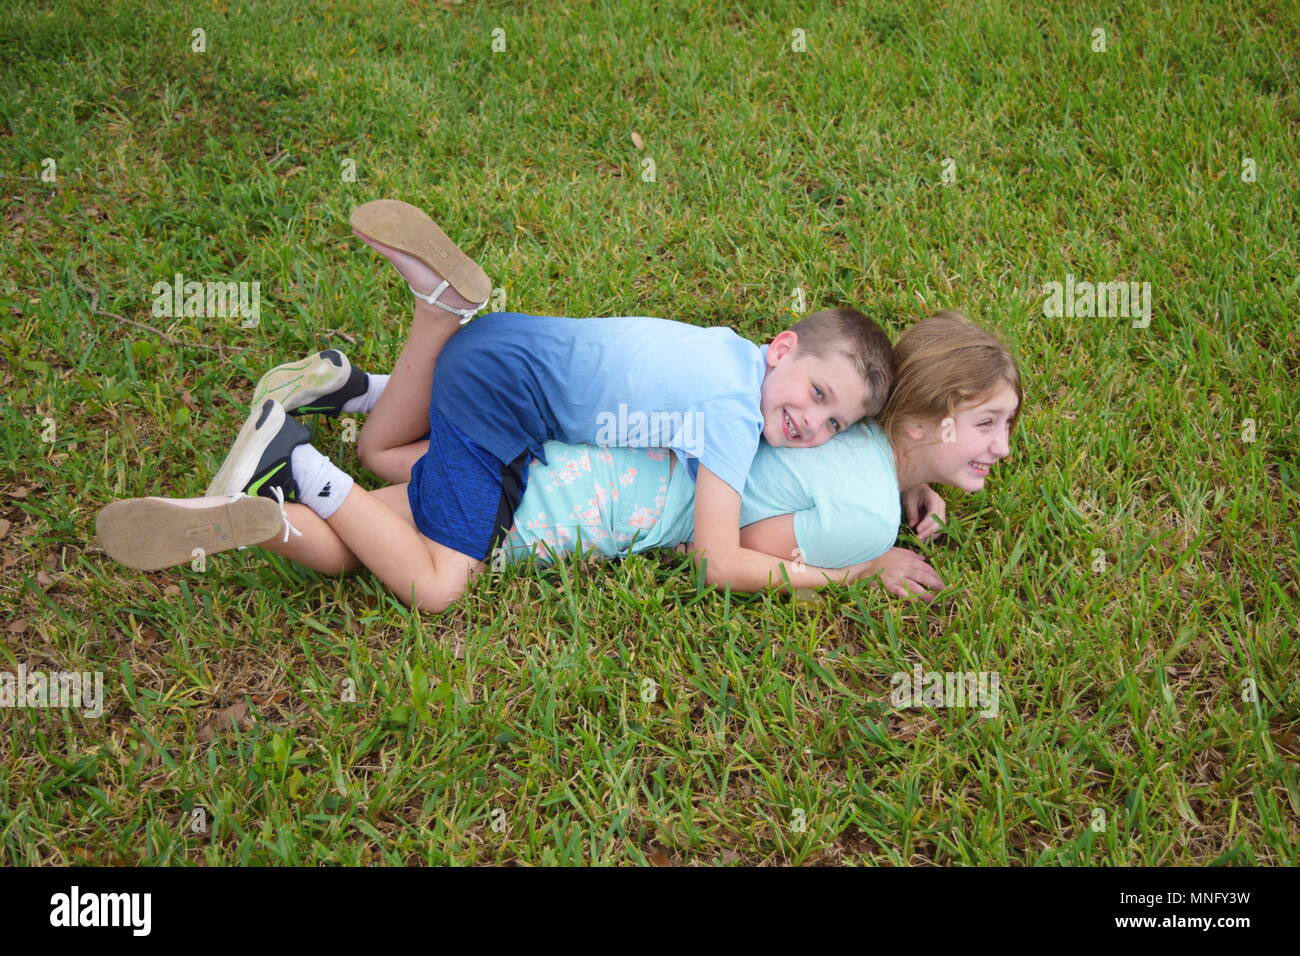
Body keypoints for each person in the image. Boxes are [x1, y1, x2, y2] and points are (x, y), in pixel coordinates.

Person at [97, 313, 1021, 605]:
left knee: (366, 519)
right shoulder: (739, 419)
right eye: (987, 425)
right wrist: (858, 569)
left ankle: (273, 494)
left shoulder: (752, 370)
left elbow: (852, 462)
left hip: (514, 383)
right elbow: (725, 554)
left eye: (833, 419)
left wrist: (906, 498)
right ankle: (299, 460)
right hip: (527, 444)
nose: (812, 427)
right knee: (436, 585)